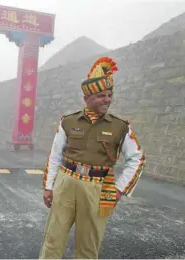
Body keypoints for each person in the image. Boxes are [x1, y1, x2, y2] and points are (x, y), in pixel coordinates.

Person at [39, 57, 146, 259]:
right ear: (87, 98)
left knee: (88, 246)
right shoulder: (68, 121)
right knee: (53, 239)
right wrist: (49, 186)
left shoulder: (120, 126)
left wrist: (119, 190)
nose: (107, 99)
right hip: (66, 183)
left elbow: (137, 159)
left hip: (99, 188)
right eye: (101, 96)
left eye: (109, 95)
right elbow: (55, 156)